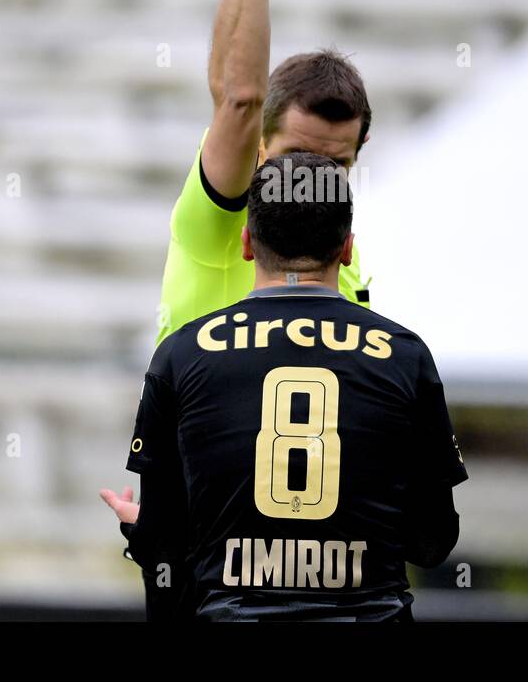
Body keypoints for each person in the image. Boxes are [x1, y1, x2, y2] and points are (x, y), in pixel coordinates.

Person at [103, 153, 467, 621]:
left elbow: (165, 544)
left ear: (248, 243)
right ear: (348, 248)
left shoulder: (181, 354)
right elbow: (432, 541)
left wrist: (143, 531)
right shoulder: (404, 355)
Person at [155, 0, 375, 351]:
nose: (313, 178)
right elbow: (237, 96)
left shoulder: (340, 249)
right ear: (259, 146)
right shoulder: (227, 214)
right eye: (296, 154)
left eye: (336, 165)